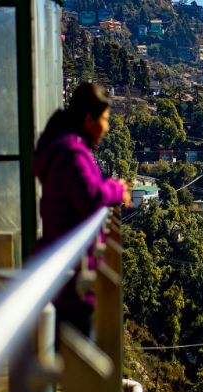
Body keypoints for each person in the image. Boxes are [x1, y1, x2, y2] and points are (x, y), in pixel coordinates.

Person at [33, 83, 133, 335]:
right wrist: (117, 190)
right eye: (105, 119)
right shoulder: (71, 154)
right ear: (89, 120)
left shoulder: (66, 147)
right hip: (71, 283)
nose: (107, 127)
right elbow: (91, 196)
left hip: (67, 275)